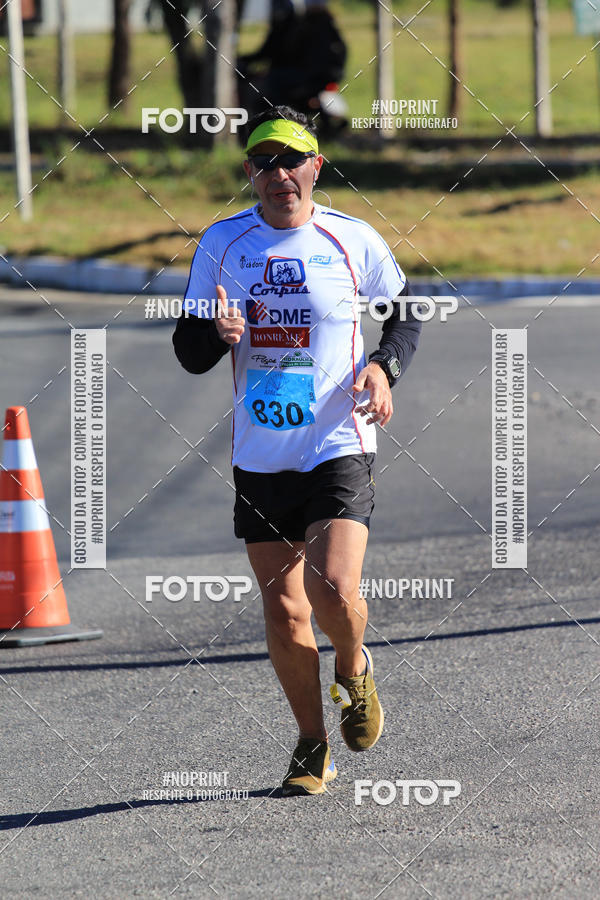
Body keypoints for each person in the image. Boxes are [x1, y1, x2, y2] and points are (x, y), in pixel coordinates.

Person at [173, 106, 421, 796]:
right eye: (265, 162)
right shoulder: (224, 243)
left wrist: (384, 368)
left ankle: (353, 667)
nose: (279, 174)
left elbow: (406, 312)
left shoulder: (351, 238)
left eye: (292, 160)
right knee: (285, 610)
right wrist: (216, 334)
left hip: (339, 439)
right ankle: (312, 743)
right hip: (262, 452)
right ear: (249, 171)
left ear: (316, 166)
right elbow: (188, 350)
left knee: (333, 586)